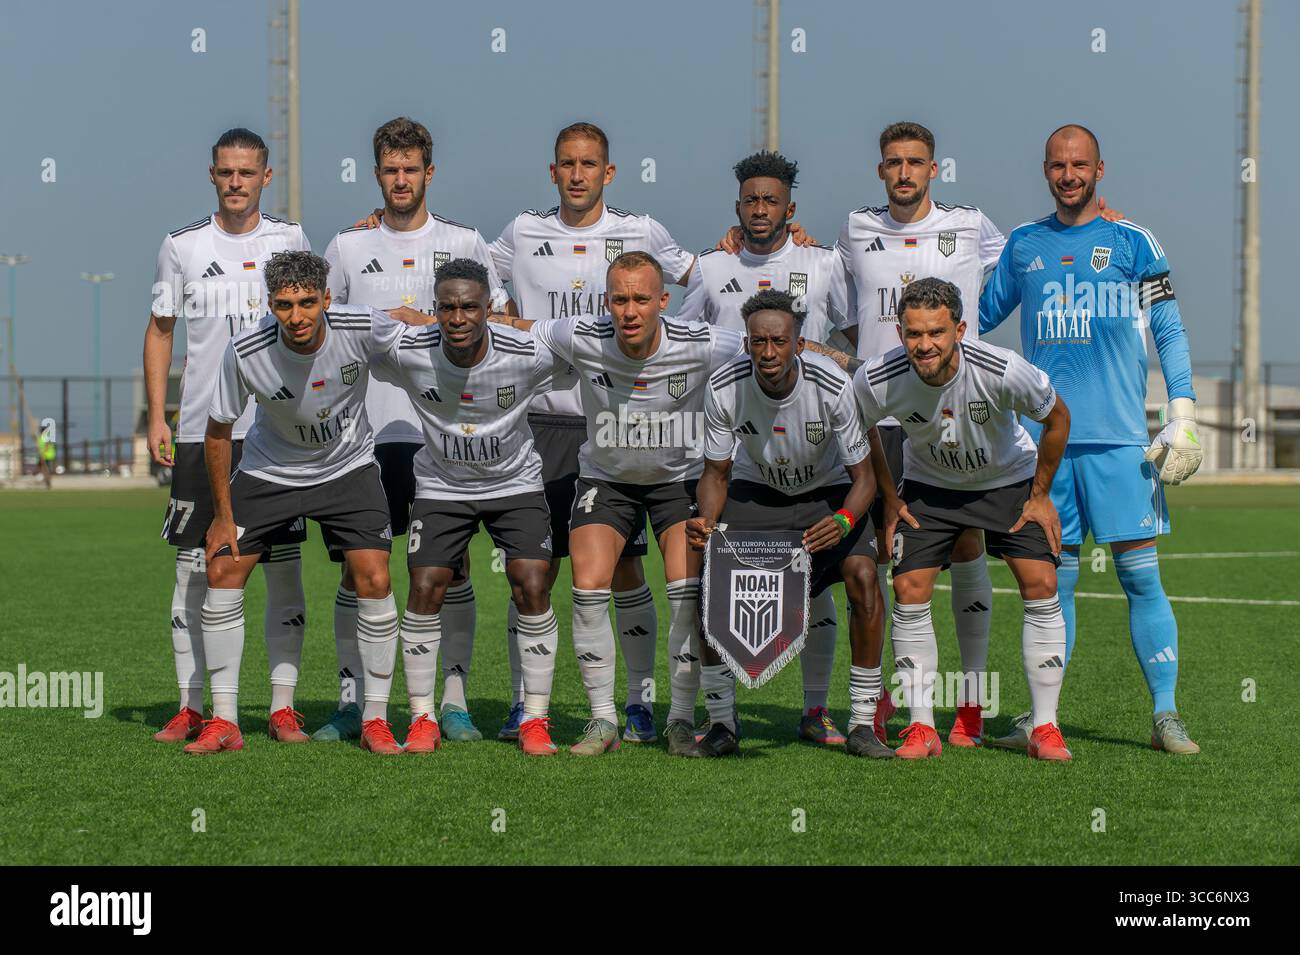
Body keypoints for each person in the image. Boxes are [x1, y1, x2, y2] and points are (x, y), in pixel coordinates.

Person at [979, 124, 1201, 754]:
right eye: (1057, 165)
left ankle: (1165, 715)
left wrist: (1181, 410)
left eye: (1079, 165)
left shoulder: (1133, 242)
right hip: (1045, 447)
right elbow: (972, 314)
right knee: (1056, 584)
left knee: (1141, 580)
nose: (1068, 175)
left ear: (1100, 170)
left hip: (1120, 443)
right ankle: (1041, 717)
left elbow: (1169, 328)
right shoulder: (1023, 245)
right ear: (1045, 170)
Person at [487, 123, 696, 743]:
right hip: (544, 422)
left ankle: (637, 703)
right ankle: (529, 703)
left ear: (609, 173)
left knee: (628, 572)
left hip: (625, 422)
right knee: (536, 569)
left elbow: (704, 277)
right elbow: (475, 273)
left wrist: (761, 241)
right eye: (566, 164)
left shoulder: (644, 231)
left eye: (590, 164)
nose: (577, 175)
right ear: (552, 172)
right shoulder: (521, 231)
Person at [496, 250, 746, 755]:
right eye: (619, 299)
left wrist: (841, 365)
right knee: (588, 588)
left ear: (663, 301)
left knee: (687, 594)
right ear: (605, 301)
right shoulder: (582, 335)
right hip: (605, 479)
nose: (629, 311)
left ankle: (678, 718)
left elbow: (772, 349)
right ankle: (603, 720)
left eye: (640, 299)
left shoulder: (702, 343)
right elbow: (523, 328)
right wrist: (441, 319)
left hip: (678, 481)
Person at [316, 117, 507, 744]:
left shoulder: (465, 242)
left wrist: (418, 318)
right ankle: (354, 704)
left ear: (430, 172)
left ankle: (452, 703)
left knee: (450, 571)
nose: (401, 180)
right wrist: (379, 318)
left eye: (411, 169)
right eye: (390, 171)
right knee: (358, 570)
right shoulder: (346, 246)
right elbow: (317, 325)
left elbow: (497, 325)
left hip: (444, 435)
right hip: (364, 437)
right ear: (377, 175)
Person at [187, 250, 409, 755]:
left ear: (327, 299)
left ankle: (374, 718)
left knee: (374, 575)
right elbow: (219, 432)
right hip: (270, 471)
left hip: (348, 469)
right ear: (270, 304)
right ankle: (224, 719)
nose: (297, 316)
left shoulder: (360, 326)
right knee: (222, 568)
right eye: (285, 305)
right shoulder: (246, 350)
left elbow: (418, 344)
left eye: (308, 303)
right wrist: (223, 517)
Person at [855, 277, 1074, 760]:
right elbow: (862, 428)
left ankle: (1045, 727)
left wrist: (1039, 495)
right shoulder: (877, 377)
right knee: (908, 589)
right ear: (899, 332)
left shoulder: (1001, 369)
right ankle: (921, 727)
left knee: (1040, 584)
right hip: (931, 490)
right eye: (914, 333)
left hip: (1006, 481)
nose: (924, 345)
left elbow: (1057, 417)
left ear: (960, 328)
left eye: (936, 332)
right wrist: (891, 498)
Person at [678, 152, 855, 745]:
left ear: (790, 208)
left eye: (771, 201)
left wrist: (837, 364)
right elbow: (683, 342)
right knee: (715, 578)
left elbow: (851, 342)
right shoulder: (709, 266)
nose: (760, 210)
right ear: (738, 207)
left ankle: (816, 711)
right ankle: (721, 718)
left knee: (828, 584)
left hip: (818, 452)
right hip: (743, 458)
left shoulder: (824, 262)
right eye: (751, 201)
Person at [144, 128, 311, 745]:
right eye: (226, 173)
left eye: (247, 173)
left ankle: (282, 706)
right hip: (199, 431)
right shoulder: (182, 246)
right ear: (212, 175)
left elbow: (312, 319)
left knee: (283, 569)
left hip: (276, 432)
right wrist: (158, 414)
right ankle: (194, 705)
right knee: (194, 566)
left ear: (266, 177)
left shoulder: (290, 239)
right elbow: (161, 329)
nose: (236, 183)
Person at [370, 258, 569, 755]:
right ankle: (421, 718)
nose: (458, 318)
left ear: (488, 309)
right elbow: (344, 331)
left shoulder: (526, 353)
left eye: (469, 307)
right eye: (447, 308)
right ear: (435, 310)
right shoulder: (409, 350)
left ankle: (535, 719)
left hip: (514, 483)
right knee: (425, 585)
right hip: (442, 486)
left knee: (531, 581)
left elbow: (589, 349)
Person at [687, 289, 894, 758]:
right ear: (747, 344)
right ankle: (722, 723)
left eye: (778, 341)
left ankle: (862, 723)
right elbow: (715, 474)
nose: (768, 352)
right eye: (758, 342)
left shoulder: (833, 383)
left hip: (827, 494)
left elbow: (864, 481)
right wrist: (707, 520)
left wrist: (843, 521)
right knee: (709, 584)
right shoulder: (723, 386)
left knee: (864, 576)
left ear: (799, 343)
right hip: (757, 493)